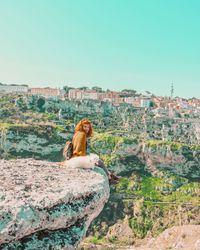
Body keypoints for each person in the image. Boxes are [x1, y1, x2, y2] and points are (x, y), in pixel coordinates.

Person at [66, 118, 120, 184]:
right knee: (99, 161)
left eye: (88, 127)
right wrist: (85, 159)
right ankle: (109, 178)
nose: (87, 129)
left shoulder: (77, 133)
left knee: (97, 161)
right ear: (81, 126)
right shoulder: (82, 135)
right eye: (85, 126)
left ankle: (110, 174)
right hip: (78, 159)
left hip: (74, 158)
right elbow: (79, 150)